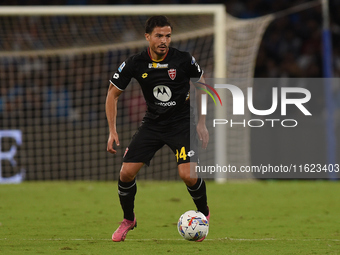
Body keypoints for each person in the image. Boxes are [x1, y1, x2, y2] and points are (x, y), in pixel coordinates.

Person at [106, 15, 210, 242]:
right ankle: (128, 220)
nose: (164, 40)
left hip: (182, 124)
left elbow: (202, 87)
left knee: (188, 175)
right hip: (153, 124)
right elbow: (112, 93)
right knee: (125, 173)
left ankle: (203, 214)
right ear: (148, 37)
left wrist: (201, 122)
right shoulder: (135, 62)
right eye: (159, 36)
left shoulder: (183, 60)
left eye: (168, 36)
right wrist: (112, 130)